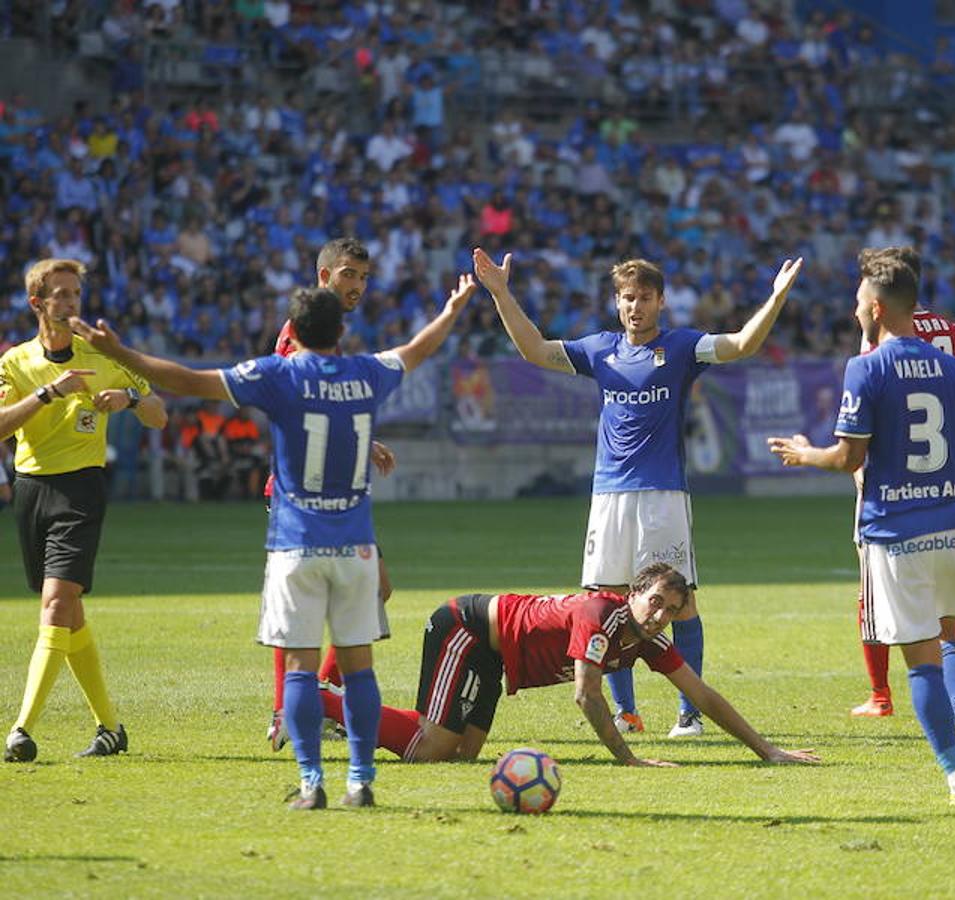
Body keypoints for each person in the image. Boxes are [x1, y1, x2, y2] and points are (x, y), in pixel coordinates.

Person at [71, 276, 477, 809]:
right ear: (341, 331)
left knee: (302, 669)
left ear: (295, 333)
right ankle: (360, 781)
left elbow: (186, 380)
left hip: (297, 545)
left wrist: (118, 351)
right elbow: (418, 349)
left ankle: (311, 783)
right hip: (356, 546)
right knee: (359, 669)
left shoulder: (278, 374)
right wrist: (452, 309)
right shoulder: (367, 372)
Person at [473, 248, 803, 738]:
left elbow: (740, 345)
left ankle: (689, 715)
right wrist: (501, 292)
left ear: (661, 302)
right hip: (609, 495)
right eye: (628, 298)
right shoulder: (599, 350)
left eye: (645, 298)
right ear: (617, 302)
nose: (636, 306)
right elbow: (535, 350)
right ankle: (626, 713)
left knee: (680, 602)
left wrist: (775, 298)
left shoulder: (683, 347)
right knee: (608, 604)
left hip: (663, 495)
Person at [767, 255, 955, 805]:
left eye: (859, 302)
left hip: (896, 529)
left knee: (920, 661)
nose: (855, 311)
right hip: (953, 522)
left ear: (877, 307)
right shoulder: (951, 366)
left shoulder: (865, 367)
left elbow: (849, 458)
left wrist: (805, 453)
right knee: (952, 634)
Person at [314, 563, 818, 767]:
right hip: (464, 628)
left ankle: (334, 705)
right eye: (654, 602)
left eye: (670, 610)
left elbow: (701, 694)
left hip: (493, 656)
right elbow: (586, 694)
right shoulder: (601, 615)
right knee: (431, 751)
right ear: (633, 594)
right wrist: (628, 759)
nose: (660, 616)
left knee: (461, 756)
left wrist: (767, 750)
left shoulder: (646, 639)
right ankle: (320, 701)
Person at [2, 258, 168, 764]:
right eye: (61, 293)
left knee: (55, 604)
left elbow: (159, 416)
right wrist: (48, 393)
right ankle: (111, 729)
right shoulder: (16, 361)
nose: (71, 302)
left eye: (75, 293)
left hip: (81, 490)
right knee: (69, 615)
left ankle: (21, 729)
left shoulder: (103, 355)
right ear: (37, 302)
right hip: (31, 490)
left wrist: (131, 398)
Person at [265, 237, 398, 754]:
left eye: (363, 277)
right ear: (324, 276)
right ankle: (289, 708)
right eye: (348, 275)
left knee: (372, 590)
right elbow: (296, 401)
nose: (357, 286)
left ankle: (317, 697)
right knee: (307, 606)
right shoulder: (299, 334)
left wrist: (365, 442)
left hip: (335, 493)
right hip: (302, 497)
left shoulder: (328, 337)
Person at [848, 246, 955, 720]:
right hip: (942, 477)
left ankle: (880, 694)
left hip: (888, 482)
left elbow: (866, 406)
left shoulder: (881, 335)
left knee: (873, 588)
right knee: (950, 599)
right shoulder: (947, 330)